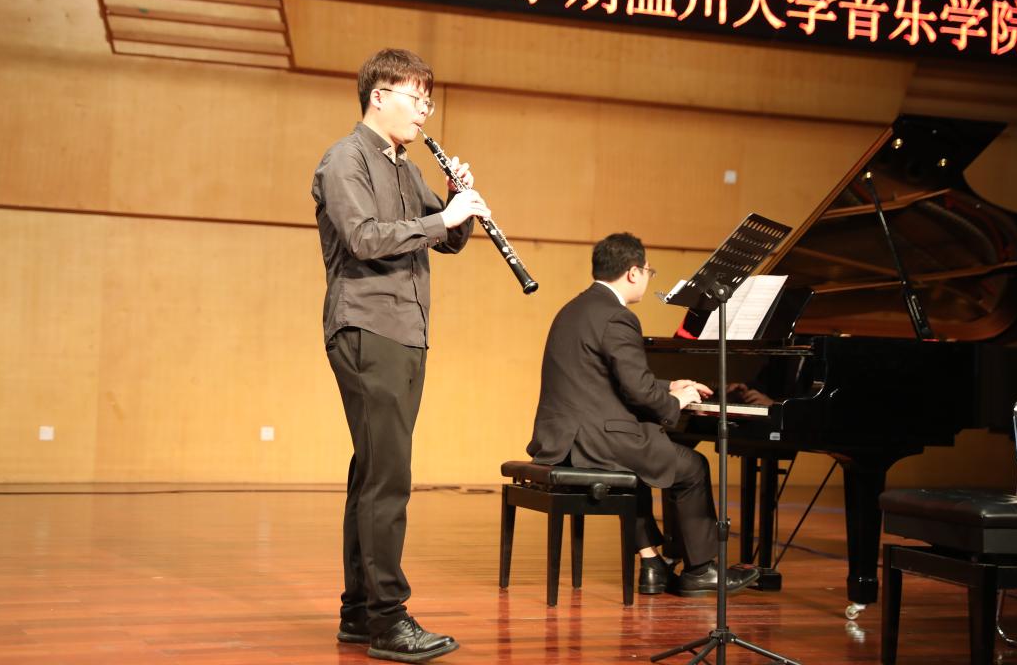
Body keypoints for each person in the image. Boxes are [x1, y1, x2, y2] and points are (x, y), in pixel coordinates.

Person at [312, 48, 489, 662]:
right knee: (389, 478)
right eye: (417, 99)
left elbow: (447, 240)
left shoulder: (406, 169)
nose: (424, 112)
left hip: (406, 331)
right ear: (379, 96)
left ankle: (359, 613)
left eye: (427, 102)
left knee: (373, 472)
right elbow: (363, 239)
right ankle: (388, 619)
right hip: (367, 326)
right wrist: (443, 219)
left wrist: (457, 201)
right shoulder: (345, 159)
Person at [526, 232, 761, 597]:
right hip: (595, 440)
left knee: (648, 463)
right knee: (692, 467)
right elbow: (636, 389)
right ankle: (701, 570)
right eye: (649, 271)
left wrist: (669, 385)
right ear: (633, 272)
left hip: (564, 438)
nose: (649, 277)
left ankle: (652, 564)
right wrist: (675, 402)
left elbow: (607, 376)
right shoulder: (618, 316)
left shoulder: (575, 309)